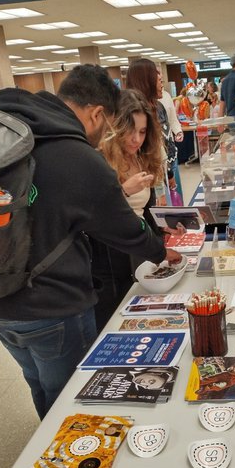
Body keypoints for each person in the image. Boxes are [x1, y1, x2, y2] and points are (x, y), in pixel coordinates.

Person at [0, 64, 175, 419]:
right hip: (51, 306)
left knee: (37, 380)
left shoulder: (4, 137)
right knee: (71, 396)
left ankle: (48, 446)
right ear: (97, 113)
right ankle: (66, 461)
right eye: (108, 125)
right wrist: (160, 251)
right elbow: (124, 229)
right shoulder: (79, 157)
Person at [90, 89, 169, 332]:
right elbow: (94, 215)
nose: (136, 139)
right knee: (117, 324)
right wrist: (123, 191)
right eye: (130, 130)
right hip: (110, 260)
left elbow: (144, 210)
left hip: (138, 249)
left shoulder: (141, 157)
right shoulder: (98, 160)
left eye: (143, 132)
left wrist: (161, 229)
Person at [126, 58, 183, 203]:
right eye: (158, 80)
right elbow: (150, 154)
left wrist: (168, 172)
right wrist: (160, 191)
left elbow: (158, 146)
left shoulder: (158, 106)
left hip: (166, 165)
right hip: (148, 183)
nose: (161, 85)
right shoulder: (136, 112)